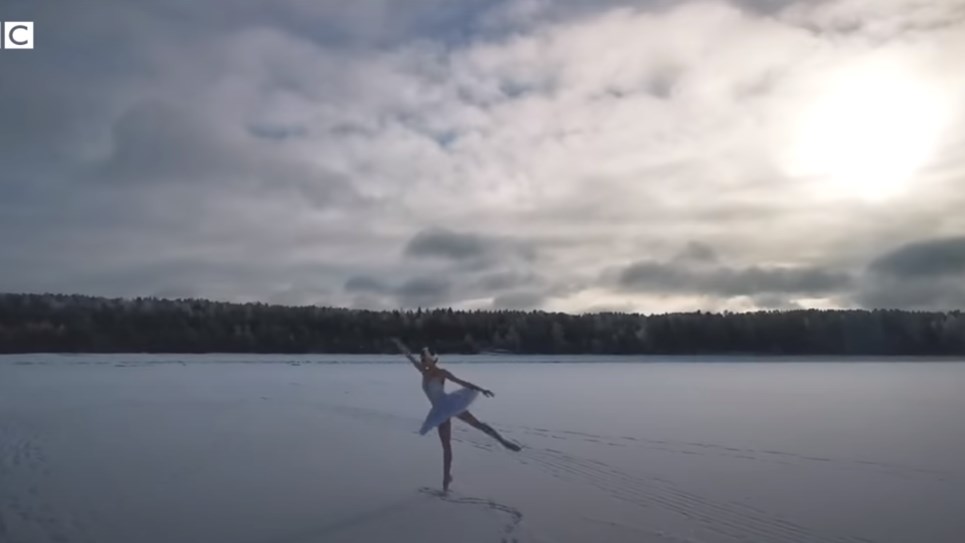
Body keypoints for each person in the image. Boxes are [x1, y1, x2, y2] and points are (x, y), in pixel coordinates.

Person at [392, 338, 520, 491]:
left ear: (433, 359)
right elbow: (408, 355)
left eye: (427, 358)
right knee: (446, 446)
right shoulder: (422, 371)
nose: (424, 361)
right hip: (439, 410)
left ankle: (503, 441)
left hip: (449, 404)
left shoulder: (441, 373)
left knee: (477, 425)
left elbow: (461, 382)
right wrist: (399, 344)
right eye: (423, 359)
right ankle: (446, 480)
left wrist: (481, 389)